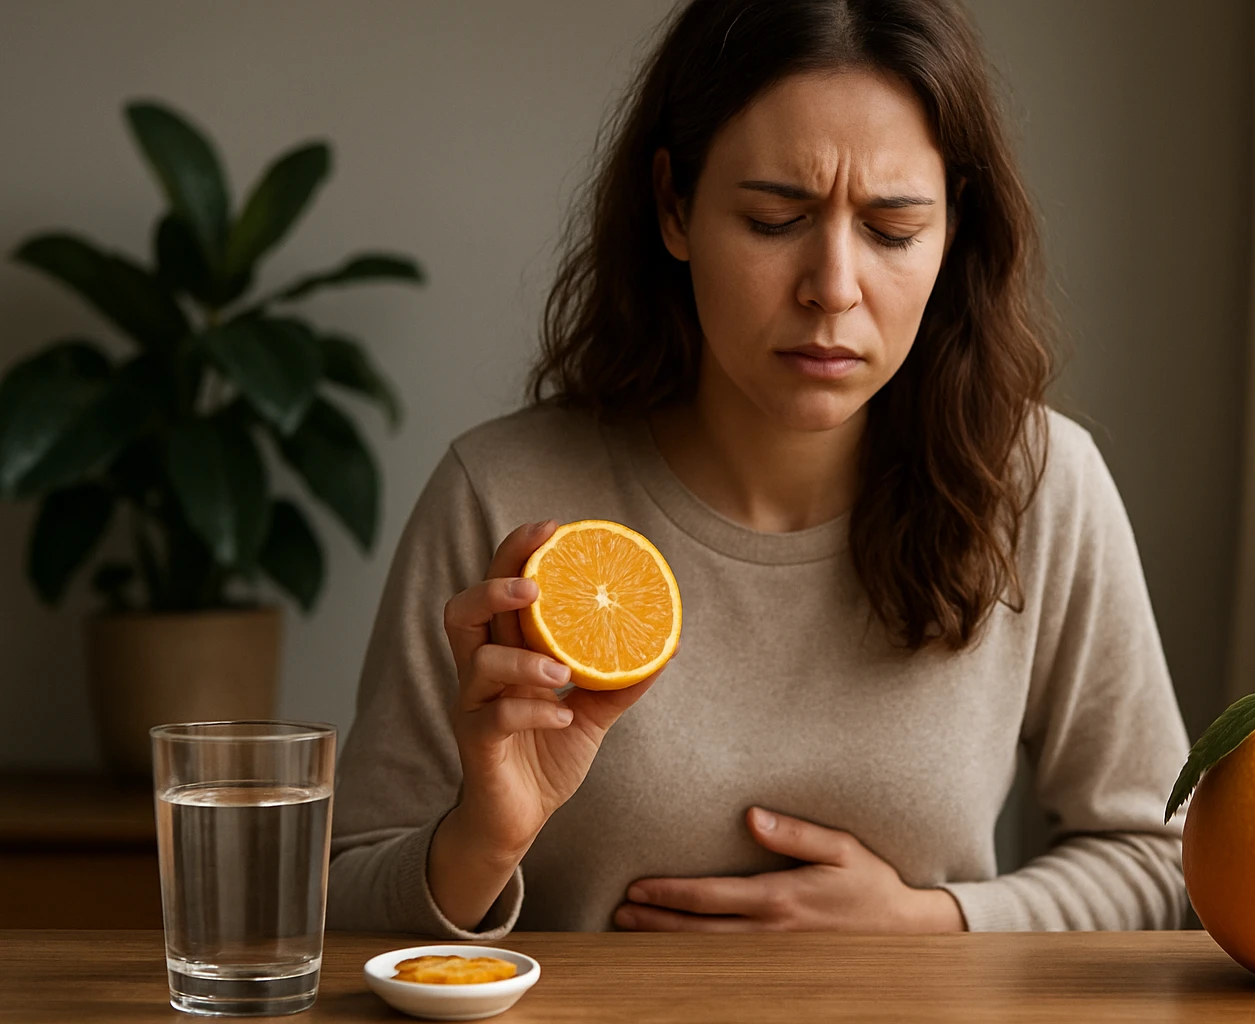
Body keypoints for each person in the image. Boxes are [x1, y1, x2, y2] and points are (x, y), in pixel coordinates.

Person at [328, 0, 1189, 937]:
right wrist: (482, 839)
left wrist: (931, 927)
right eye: (776, 219)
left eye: (893, 230)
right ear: (674, 206)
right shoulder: (500, 495)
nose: (833, 288)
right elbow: (340, 895)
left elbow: (1157, 858)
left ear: (953, 230)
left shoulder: (1039, 487)